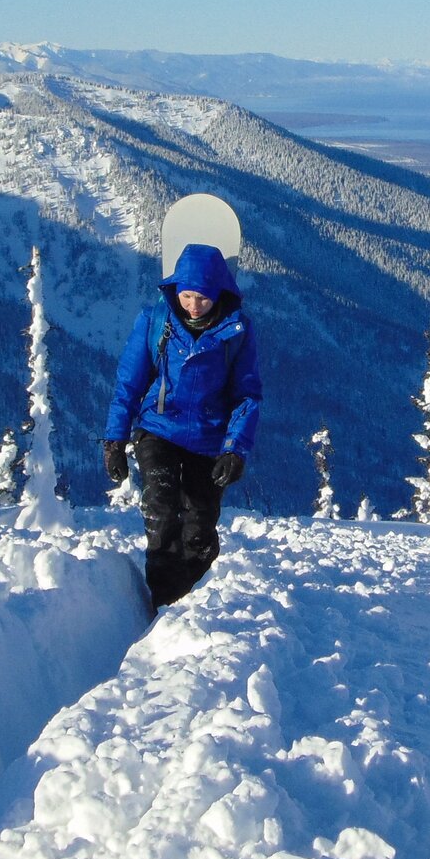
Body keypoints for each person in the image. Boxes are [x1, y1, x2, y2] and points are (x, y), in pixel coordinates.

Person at [103, 243, 261, 612]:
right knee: (160, 505)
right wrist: (115, 440)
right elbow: (129, 382)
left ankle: (194, 599)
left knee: (200, 523)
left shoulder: (237, 331)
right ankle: (161, 595)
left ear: (219, 294)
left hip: (208, 438)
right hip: (158, 429)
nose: (193, 304)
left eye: (202, 298)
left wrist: (235, 448)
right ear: (174, 289)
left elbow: (247, 394)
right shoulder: (155, 320)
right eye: (187, 295)